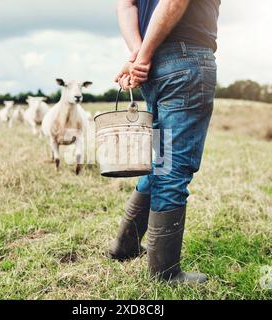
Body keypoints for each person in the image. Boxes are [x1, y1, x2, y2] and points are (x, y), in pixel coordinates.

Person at [109, 0, 220, 285]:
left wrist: (138, 55)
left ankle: (125, 245)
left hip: (155, 65)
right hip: (186, 58)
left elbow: (126, 5)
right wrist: (142, 56)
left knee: (160, 160)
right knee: (173, 167)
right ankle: (165, 273)